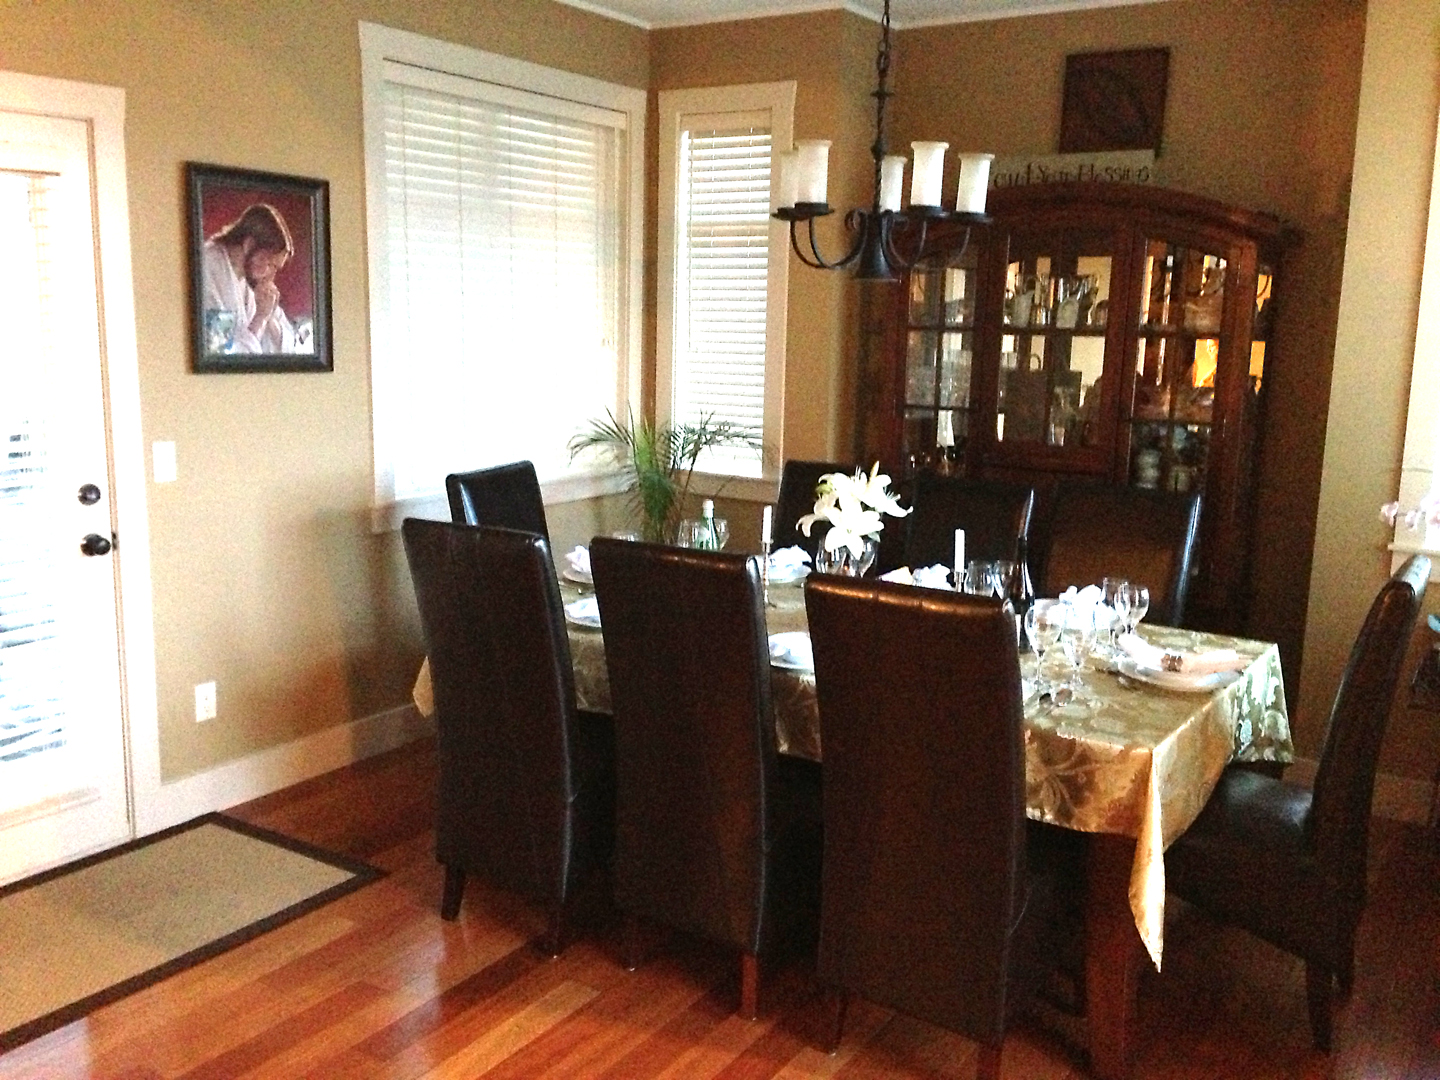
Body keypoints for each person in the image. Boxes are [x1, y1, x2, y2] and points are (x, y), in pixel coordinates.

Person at [200, 202, 309, 354]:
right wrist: (260, 318)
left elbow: (288, 345)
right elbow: (220, 351)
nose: (271, 275)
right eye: (269, 264)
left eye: (275, 268)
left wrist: (269, 317)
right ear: (249, 245)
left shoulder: (250, 280)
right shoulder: (210, 268)